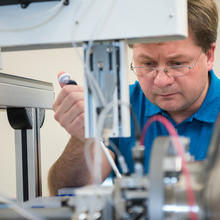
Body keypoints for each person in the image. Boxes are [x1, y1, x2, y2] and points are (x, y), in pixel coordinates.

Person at [48, 0, 220, 196]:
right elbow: (64, 192)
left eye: (177, 64)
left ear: (210, 56)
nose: (161, 81)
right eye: (147, 64)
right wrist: (83, 137)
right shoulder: (120, 105)